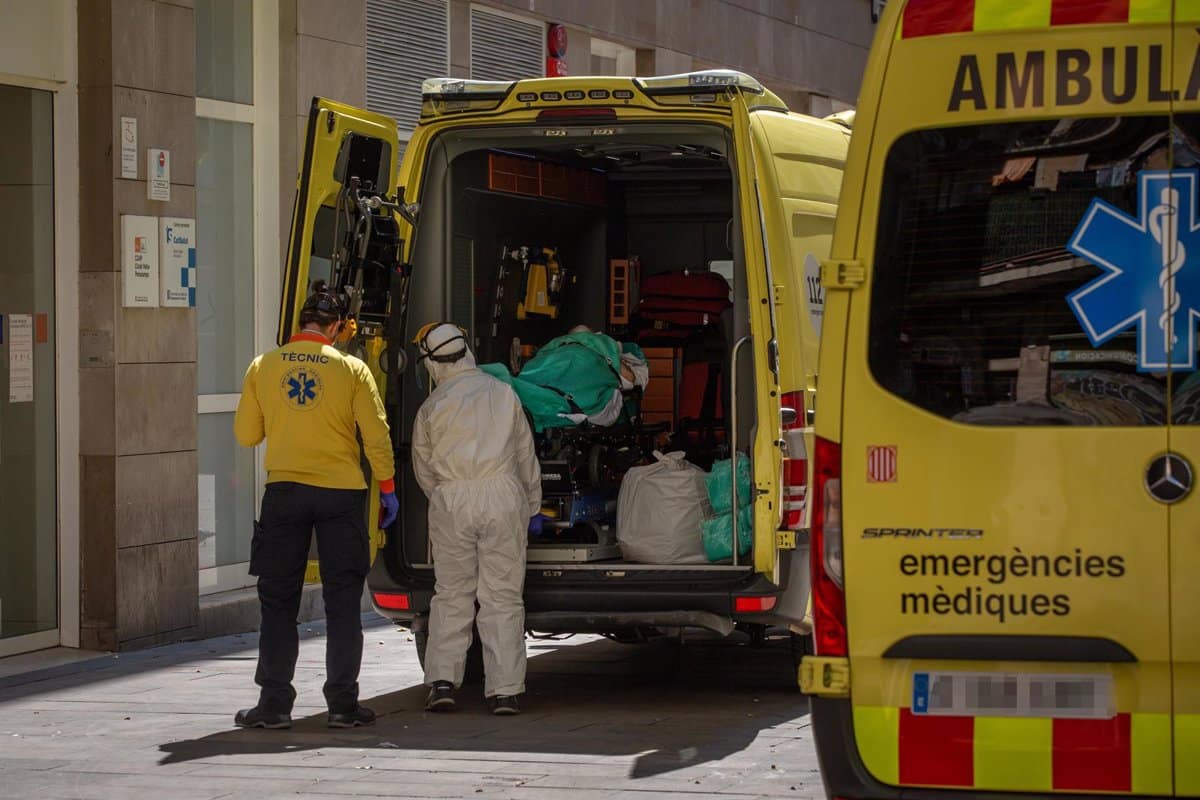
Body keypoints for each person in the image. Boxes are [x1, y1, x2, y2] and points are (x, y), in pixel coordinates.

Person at [232, 289, 399, 730]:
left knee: (278, 599)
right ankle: (343, 704)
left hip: (284, 491)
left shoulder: (263, 366)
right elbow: (376, 435)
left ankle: (274, 704)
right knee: (342, 600)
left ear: (301, 322)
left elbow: (247, 434)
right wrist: (387, 487)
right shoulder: (352, 369)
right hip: (341, 493)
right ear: (338, 326)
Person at [411, 322, 541, 715]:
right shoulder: (503, 393)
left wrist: (446, 497)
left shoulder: (433, 406)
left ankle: (443, 682)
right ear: (466, 350)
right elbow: (524, 456)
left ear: (433, 363)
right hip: (501, 496)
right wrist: (532, 506)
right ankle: (504, 691)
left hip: (453, 498)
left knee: (452, 594)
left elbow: (424, 467)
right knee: (502, 596)